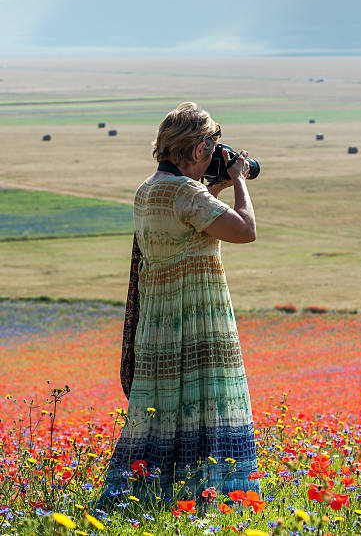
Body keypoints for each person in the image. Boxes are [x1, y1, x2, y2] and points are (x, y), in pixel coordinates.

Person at [96, 102, 260, 510]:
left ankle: (144, 497)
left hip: (159, 321)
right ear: (200, 148)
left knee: (165, 410)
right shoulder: (185, 191)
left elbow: (185, 227)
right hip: (196, 317)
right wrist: (240, 181)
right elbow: (245, 231)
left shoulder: (148, 189)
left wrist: (212, 190)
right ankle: (207, 498)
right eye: (212, 146)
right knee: (204, 406)